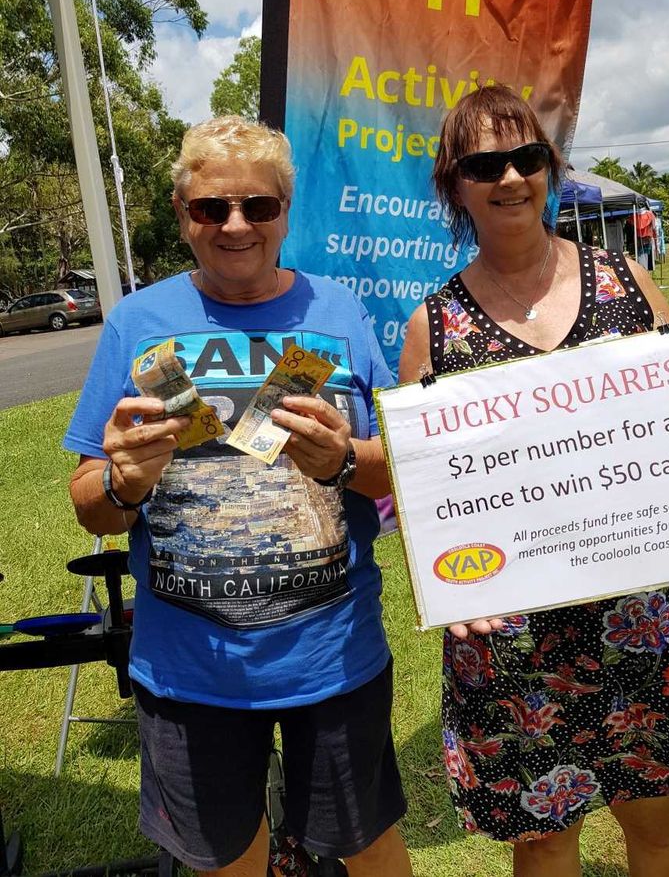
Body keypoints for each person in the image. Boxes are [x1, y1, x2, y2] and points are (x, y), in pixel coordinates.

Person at [398, 86, 669, 877]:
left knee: (653, 819)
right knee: (545, 836)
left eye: (528, 157)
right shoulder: (433, 324)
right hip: (516, 632)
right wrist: (449, 592)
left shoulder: (623, 280)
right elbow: (424, 489)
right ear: (454, 183)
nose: (511, 177)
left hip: (645, 610)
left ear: (551, 168)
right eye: (486, 163)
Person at [64, 116, 412, 877]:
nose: (234, 224)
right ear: (182, 214)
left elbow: (406, 469)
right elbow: (88, 498)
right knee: (225, 861)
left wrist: (346, 460)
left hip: (333, 657)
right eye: (210, 208)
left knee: (368, 847)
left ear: (286, 212)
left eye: (258, 206)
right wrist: (124, 482)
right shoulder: (137, 324)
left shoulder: (339, 311)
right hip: (190, 668)